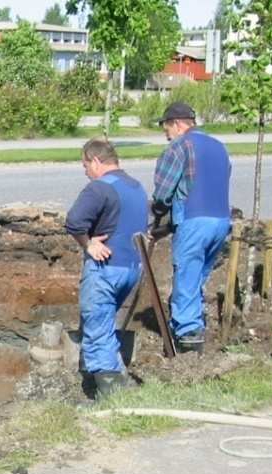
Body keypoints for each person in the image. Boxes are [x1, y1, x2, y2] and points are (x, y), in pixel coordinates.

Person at [65, 138, 146, 397]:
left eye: (85, 166)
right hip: (131, 267)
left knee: (97, 329)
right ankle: (105, 378)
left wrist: (88, 244)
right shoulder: (136, 186)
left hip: (106, 268)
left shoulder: (99, 188)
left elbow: (74, 222)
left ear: (96, 160)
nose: (86, 172)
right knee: (106, 322)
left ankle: (110, 398)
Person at [152, 102, 231, 353]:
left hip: (194, 220)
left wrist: (157, 214)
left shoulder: (178, 147)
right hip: (220, 221)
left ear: (177, 124)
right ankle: (193, 324)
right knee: (197, 277)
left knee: (186, 276)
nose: (166, 133)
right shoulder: (219, 147)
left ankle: (188, 339)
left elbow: (163, 193)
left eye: (166, 127)